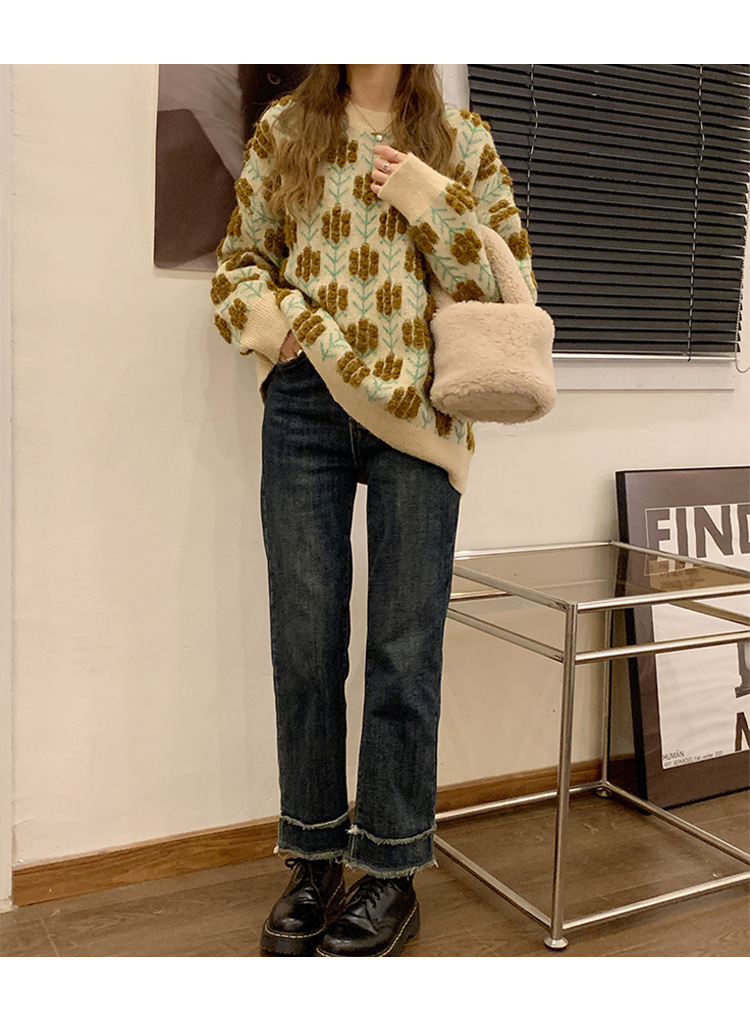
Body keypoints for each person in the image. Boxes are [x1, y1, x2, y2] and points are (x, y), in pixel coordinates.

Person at [211, 64, 536, 957]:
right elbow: (238, 263)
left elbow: (506, 285)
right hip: (308, 403)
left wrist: (430, 196)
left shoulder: (463, 139)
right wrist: (282, 332)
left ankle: (390, 868)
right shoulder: (287, 128)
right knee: (305, 643)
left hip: (423, 414)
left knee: (404, 648)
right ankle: (314, 857)